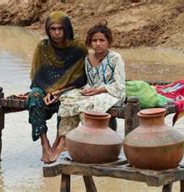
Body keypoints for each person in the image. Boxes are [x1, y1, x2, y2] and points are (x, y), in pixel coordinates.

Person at [53, 21, 126, 161]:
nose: (98, 43)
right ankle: (65, 140)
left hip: (111, 93)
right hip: (92, 91)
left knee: (88, 106)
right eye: (94, 40)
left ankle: (92, 140)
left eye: (102, 40)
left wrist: (98, 90)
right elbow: (89, 82)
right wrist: (87, 90)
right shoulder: (88, 58)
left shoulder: (115, 58)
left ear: (108, 42)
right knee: (68, 99)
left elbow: (120, 85)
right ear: (90, 42)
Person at [26, 11, 88, 164]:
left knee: (68, 99)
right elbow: (37, 77)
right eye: (53, 29)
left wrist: (59, 91)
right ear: (48, 30)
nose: (57, 32)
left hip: (70, 89)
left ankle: (59, 141)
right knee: (34, 96)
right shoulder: (43, 46)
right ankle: (44, 143)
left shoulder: (78, 47)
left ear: (67, 29)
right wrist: (47, 91)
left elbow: (81, 79)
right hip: (44, 88)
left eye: (61, 28)